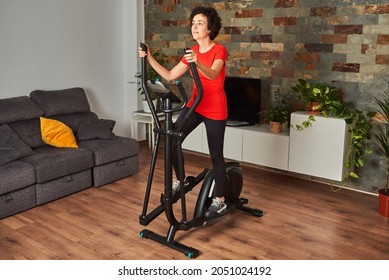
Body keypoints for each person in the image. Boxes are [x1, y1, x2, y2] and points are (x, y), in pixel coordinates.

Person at [138, 6, 227, 217]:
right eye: (193, 23)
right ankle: (179, 180)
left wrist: (198, 64)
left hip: (215, 107)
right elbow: (169, 76)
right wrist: (149, 58)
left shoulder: (218, 50)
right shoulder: (192, 52)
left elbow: (214, 74)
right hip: (196, 105)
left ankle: (220, 199)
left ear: (210, 28)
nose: (194, 27)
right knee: (171, 138)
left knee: (216, 155)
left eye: (200, 23)